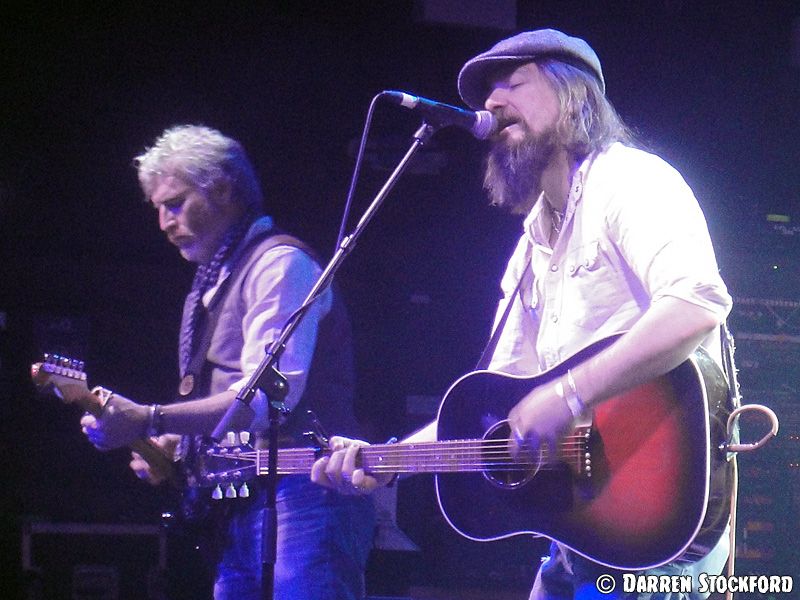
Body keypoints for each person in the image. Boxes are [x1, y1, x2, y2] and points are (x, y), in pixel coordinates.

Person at [311, 29, 733, 600]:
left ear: (575, 97)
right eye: (487, 91)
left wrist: (566, 396)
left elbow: (696, 304)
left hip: (655, 530)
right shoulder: (530, 245)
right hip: (584, 538)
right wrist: (389, 460)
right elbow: (499, 407)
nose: (490, 103)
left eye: (514, 81)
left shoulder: (630, 182)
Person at [81, 124, 375, 600]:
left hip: (305, 490)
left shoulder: (280, 264)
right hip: (242, 496)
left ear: (221, 188)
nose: (163, 222)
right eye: (158, 208)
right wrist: (177, 444)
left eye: (174, 203)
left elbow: (264, 400)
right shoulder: (215, 280)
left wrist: (149, 417)